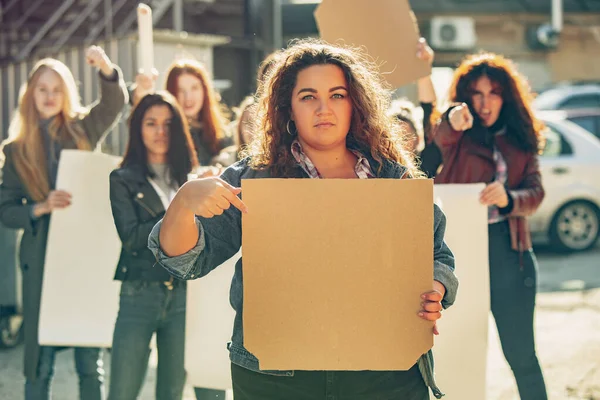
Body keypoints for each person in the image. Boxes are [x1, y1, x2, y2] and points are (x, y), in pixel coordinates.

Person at [148, 39, 458, 400]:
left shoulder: (395, 178)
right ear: (288, 108)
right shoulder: (254, 179)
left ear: (355, 104)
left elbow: (438, 257)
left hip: (384, 374)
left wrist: (436, 290)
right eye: (308, 96)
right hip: (278, 377)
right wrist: (183, 203)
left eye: (338, 95)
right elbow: (186, 261)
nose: (324, 107)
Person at [0, 47, 127, 400]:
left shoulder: (83, 129)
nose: (50, 95)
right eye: (42, 88)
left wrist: (105, 69)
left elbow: (113, 104)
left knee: (89, 356)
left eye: (57, 88)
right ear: (30, 94)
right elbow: (5, 209)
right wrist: (39, 207)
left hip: (84, 256)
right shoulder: (15, 150)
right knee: (39, 358)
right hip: (41, 260)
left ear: (67, 93)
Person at [431, 52, 547, 400]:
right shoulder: (458, 135)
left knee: (522, 356)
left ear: (505, 97)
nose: (484, 103)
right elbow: (436, 143)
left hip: (511, 254)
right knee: (455, 354)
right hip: (460, 252)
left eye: (493, 93)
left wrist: (509, 198)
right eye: (477, 94)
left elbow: (536, 192)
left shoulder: (521, 139)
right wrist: (452, 119)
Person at [107, 92, 198, 400]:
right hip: (139, 293)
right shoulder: (122, 179)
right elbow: (132, 238)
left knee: (172, 393)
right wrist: (181, 209)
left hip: (184, 296)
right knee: (123, 390)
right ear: (138, 129)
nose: (160, 132)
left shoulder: (191, 178)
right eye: (151, 123)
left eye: (169, 124)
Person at [388, 38, 441, 176]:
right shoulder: (375, 170)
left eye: (405, 137)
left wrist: (423, 69)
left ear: (417, 139)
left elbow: (430, 112)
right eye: (394, 138)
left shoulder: (426, 165)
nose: (400, 144)